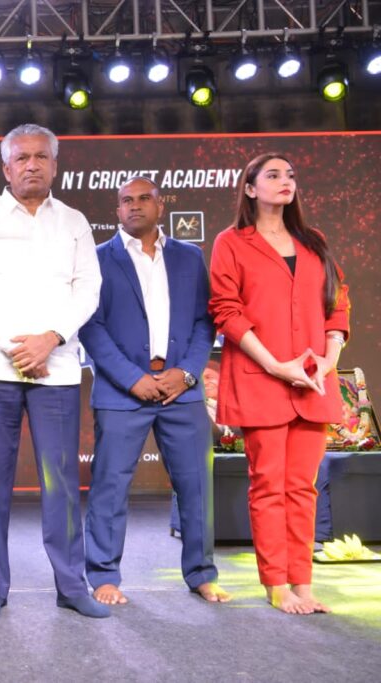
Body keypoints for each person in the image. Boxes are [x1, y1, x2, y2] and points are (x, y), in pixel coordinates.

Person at [0, 124, 108, 619]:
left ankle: (71, 586)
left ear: (55, 166)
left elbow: (88, 289)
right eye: (21, 158)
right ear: (6, 168)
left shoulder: (74, 221)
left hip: (57, 369)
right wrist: (16, 347)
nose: (31, 165)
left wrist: (51, 339)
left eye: (41, 157)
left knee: (61, 484)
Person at [208, 153, 349, 615]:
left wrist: (328, 360)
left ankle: (302, 583)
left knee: (303, 487)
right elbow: (226, 310)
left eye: (290, 175)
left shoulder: (314, 240)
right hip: (261, 381)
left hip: (313, 382)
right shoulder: (231, 242)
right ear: (250, 188)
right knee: (268, 486)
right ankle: (275, 584)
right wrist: (275, 365)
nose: (285, 181)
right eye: (272, 175)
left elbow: (337, 303)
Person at [79, 176, 230, 606]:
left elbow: (204, 321)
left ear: (160, 206)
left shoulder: (189, 256)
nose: (135, 206)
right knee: (109, 487)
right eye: (126, 200)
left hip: (181, 391)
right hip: (122, 392)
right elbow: (91, 325)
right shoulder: (97, 259)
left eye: (144, 198)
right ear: (117, 210)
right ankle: (104, 576)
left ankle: (201, 574)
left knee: (196, 486)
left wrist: (188, 373)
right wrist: (133, 378)